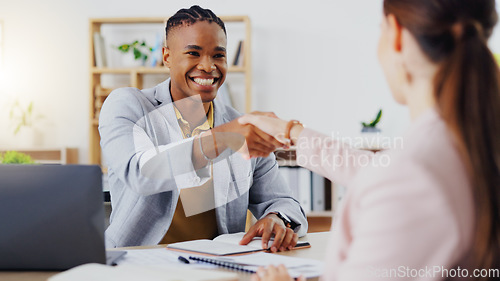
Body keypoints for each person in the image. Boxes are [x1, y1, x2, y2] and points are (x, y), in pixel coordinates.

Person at [241, 0, 500, 280]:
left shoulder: (413, 174)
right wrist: (290, 131)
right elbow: (374, 171)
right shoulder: (468, 142)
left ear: (396, 35)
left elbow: (395, 180)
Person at [99, 5, 307, 250]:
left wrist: (277, 218)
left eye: (218, 55)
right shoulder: (129, 105)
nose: (208, 66)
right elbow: (140, 172)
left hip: (215, 266)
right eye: (193, 53)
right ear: (167, 56)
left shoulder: (240, 127)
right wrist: (222, 139)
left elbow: (284, 201)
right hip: (134, 263)